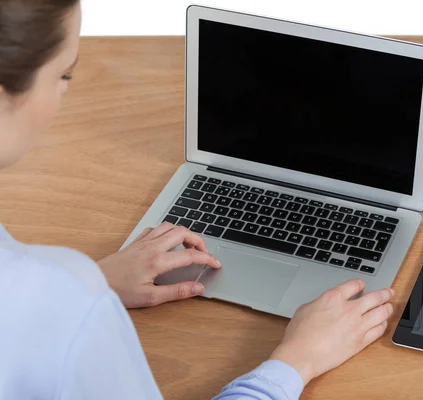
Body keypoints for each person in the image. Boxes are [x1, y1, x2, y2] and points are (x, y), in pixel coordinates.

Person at [0, 1, 395, 399]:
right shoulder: (59, 301)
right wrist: (298, 360)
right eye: (63, 73)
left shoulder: (46, 288)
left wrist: (83, 287)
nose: (64, 91)